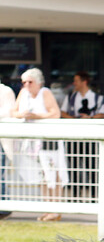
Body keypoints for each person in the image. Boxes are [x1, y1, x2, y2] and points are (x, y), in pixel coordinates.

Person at [11, 68, 64, 221]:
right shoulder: (23, 93)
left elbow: (55, 113)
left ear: (38, 82)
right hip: (32, 142)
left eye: (30, 82)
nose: (26, 85)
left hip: (49, 139)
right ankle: (47, 208)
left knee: (53, 174)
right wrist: (23, 115)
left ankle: (56, 209)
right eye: (24, 82)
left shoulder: (45, 92)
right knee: (42, 175)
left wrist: (36, 116)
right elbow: (14, 111)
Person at [60, 71, 104, 200]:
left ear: (84, 81)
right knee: (73, 166)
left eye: (76, 81)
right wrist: (74, 118)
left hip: (90, 136)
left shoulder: (97, 98)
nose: (74, 84)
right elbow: (63, 112)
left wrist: (89, 117)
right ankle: (75, 195)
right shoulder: (70, 97)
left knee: (90, 166)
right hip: (74, 135)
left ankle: (93, 195)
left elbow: (101, 114)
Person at [0, 77, 16, 220]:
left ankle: (4, 208)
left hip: (2, 138)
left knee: (0, 172)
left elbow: (9, 112)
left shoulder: (6, 91)